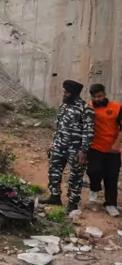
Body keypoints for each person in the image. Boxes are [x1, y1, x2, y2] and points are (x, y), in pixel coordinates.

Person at [40, 80, 94, 213]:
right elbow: (58, 127)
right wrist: (53, 143)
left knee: (75, 175)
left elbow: (89, 131)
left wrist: (83, 151)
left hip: (75, 149)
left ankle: (72, 203)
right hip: (59, 145)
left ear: (73, 94)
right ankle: (54, 196)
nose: (63, 94)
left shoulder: (85, 108)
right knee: (54, 171)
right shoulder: (63, 106)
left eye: (66, 92)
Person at [86, 84, 122, 217]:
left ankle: (110, 204)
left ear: (105, 94)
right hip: (95, 147)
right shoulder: (89, 108)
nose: (98, 99)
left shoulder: (116, 107)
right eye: (95, 97)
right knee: (93, 170)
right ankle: (94, 189)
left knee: (111, 176)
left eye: (100, 96)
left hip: (113, 149)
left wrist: (117, 144)